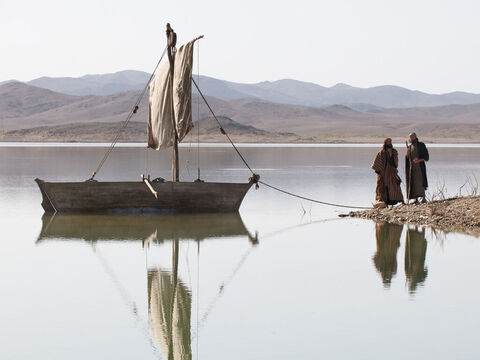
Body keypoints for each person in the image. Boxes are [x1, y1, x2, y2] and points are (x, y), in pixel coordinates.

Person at [371, 138, 404, 206]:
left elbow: (395, 163)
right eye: (388, 142)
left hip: (392, 171)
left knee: (395, 185)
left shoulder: (394, 151)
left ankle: (397, 200)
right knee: (383, 186)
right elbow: (378, 162)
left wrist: (391, 154)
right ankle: (384, 201)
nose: (389, 143)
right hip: (383, 172)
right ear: (385, 143)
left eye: (390, 142)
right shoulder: (381, 152)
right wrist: (379, 171)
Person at [405, 132, 429, 203]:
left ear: (416, 137)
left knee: (421, 182)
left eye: (413, 136)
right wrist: (407, 153)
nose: (412, 138)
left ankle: (423, 198)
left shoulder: (421, 145)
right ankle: (416, 199)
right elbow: (407, 158)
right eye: (411, 137)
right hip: (412, 168)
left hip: (420, 167)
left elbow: (426, 157)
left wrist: (418, 160)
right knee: (414, 182)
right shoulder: (409, 147)